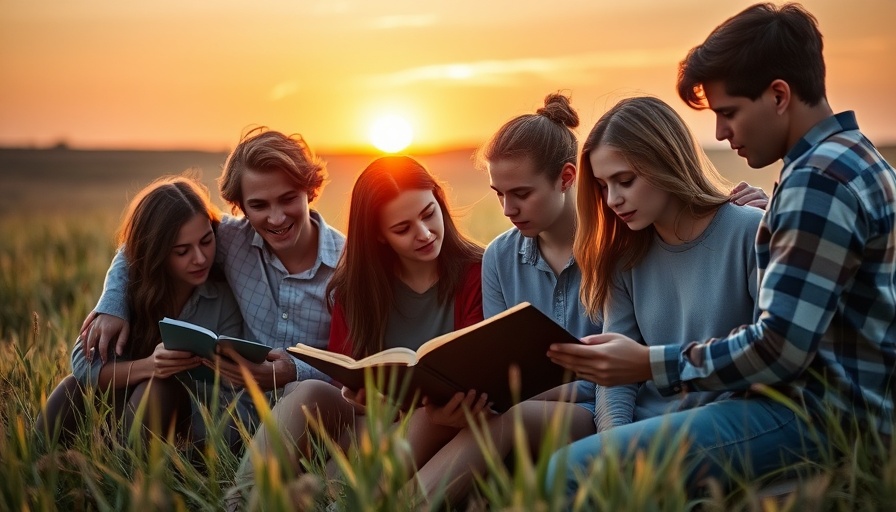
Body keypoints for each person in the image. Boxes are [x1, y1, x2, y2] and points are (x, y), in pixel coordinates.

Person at [547, 2, 896, 500]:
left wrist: (649, 364)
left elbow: (778, 349)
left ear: (779, 95)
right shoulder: (857, 160)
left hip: (815, 417)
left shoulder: (817, 182)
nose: (719, 133)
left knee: (569, 472)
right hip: (822, 409)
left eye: (728, 112)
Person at [232, 155, 487, 501]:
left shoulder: (478, 273)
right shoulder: (355, 290)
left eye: (429, 214)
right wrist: (360, 396)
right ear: (379, 236)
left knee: (426, 419)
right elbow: (346, 378)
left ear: (439, 201)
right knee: (306, 393)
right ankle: (237, 501)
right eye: (402, 228)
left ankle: (338, 499)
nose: (425, 234)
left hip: (446, 429)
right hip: (374, 425)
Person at [80, 128, 345, 397]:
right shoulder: (231, 239)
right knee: (76, 387)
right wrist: (112, 305)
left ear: (310, 191)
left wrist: (295, 371)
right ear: (240, 206)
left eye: (288, 199)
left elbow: (364, 364)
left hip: (315, 414)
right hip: (238, 414)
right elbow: (146, 243)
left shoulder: (349, 264)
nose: (276, 218)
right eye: (259, 206)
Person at [35, 175, 245, 448]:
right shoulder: (129, 292)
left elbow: (228, 391)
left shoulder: (222, 300)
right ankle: (37, 469)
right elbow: (84, 367)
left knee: (161, 385)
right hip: (124, 406)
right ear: (157, 252)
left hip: (189, 424)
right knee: (71, 387)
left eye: (206, 241)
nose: (200, 258)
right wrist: (150, 366)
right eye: (182, 251)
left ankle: (128, 475)